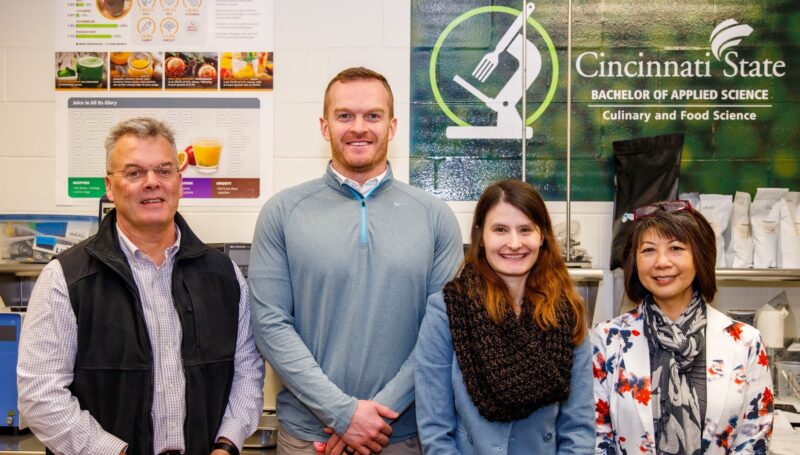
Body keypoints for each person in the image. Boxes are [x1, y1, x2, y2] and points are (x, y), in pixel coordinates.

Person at [17, 117, 265, 455]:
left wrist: (227, 444)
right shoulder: (66, 278)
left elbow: (247, 370)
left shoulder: (224, 276)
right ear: (109, 185)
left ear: (179, 181)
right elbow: (40, 394)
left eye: (164, 170)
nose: (152, 183)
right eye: (134, 173)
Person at [248, 66, 463, 455]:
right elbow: (270, 325)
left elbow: (442, 331)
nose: (358, 127)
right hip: (309, 439)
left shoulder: (434, 217)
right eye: (344, 115)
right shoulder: (282, 212)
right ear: (324, 125)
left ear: (392, 126)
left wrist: (373, 419)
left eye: (373, 116)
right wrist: (343, 414)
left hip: (404, 437)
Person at [415, 179, 594, 455]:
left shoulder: (567, 311)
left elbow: (578, 428)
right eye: (500, 229)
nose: (514, 243)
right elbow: (436, 429)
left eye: (525, 230)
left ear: (542, 236)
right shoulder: (448, 310)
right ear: (481, 236)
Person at [592, 200, 774, 455]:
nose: (661, 262)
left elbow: (753, 439)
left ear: (700, 257)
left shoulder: (745, 342)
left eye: (676, 248)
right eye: (648, 250)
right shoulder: (608, 339)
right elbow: (597, 436)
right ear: (634, 261)